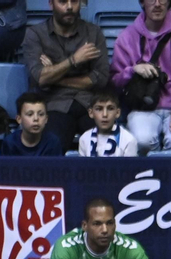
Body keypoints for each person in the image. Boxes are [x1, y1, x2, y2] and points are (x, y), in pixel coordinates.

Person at [111, 0, 171, 155]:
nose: (157, 4)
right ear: (142, 2)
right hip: (143, 108)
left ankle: (169, 178)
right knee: (142, 140)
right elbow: (115, 80)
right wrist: (133, 70)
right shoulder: (127, 36)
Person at [25, 0, 112, 150]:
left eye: (75, 1)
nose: (70, 7)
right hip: (55, 105)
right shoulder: (36, 34)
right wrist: (73, 60)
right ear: (51, 4)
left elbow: (101, 79)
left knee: (103, 147)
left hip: (88, 105)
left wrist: (54, 74)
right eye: (63, 1)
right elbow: (39, 77)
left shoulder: (93, 33)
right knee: (53, 145)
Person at [77, 87, 139, 156]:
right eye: (99, 109)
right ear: (91, 113)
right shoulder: (84, 139)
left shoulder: (129, 140)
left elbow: (130, 166)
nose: (105, 114)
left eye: (110, 109)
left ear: (117, 113)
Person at [0, 90, 63, 155]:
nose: (36, 118)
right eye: (30, 114)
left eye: (41, 114)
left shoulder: (53, 142)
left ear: (46, 119)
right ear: (19, 119)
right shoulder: (10, 143)